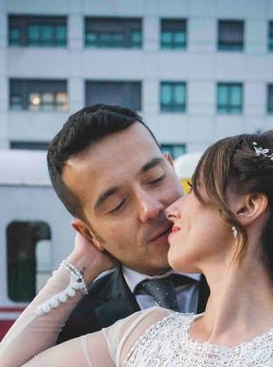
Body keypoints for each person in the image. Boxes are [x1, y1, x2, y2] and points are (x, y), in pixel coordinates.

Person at [0, 130, 273, 367]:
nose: (169, 208)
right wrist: (81, 263)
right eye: (115, 206)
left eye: (194, 189)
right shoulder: (144, 334)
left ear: (248, 207)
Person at [46, 105, 209, 343]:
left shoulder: (263, 273)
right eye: (117, 205)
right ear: (89, 234)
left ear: (172, 169)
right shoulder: (73, 328)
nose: (151, 208)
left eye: (156, 179)